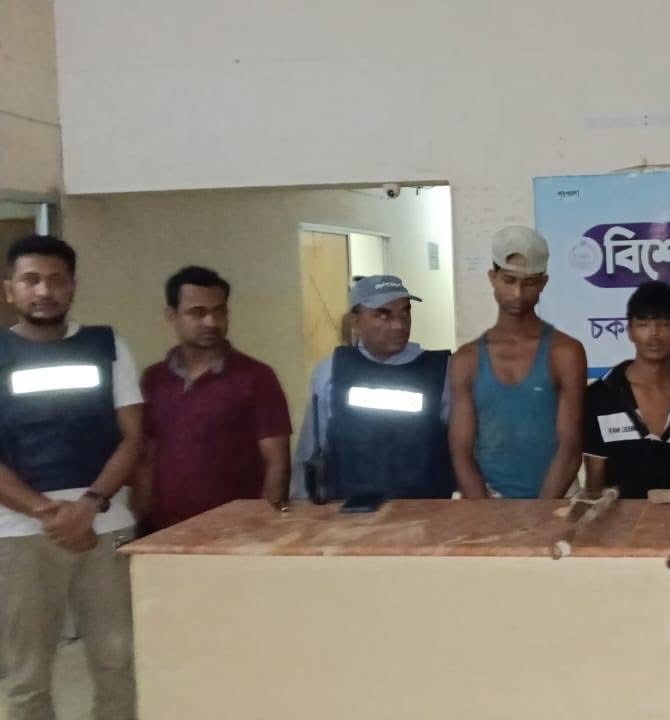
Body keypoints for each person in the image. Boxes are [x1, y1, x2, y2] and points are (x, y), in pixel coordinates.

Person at [0, 235, 141, 719]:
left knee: (117, 663)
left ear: (73, 287)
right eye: (31, 280)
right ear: (10, 289)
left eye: (56, 280)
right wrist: (49, 513)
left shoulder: (108, 346)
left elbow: (132, 437)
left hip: (105, 526)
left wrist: (89, 505)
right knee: (27, 676)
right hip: (20, 534)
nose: (44, 290)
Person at [136, 266, 291, 530]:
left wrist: (266, 526)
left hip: (237, 532)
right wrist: (141, 522)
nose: (211, 322)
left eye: (219, 312)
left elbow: (277, 461)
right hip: (167, 532)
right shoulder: (154, 380)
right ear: (172, 315)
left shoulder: (256, 377)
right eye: (198, 312)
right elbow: (146, 458)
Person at [449, 226, 586, 499]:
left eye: (530, 283)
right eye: (509, 280)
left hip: (556, 502)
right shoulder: (466, 359)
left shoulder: (565, 353)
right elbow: (461, 452)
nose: (518, 294)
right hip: (487, 504)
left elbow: (570, 448)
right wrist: (485, 513)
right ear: (493, 277)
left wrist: (541, 514)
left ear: (544, 283)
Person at [291, 275, 453, 501]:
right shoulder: (331, 372)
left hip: (424, 509)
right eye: (383, 315)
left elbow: (461, 446)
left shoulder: (442, 371)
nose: (399, 325)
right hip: (350, 509)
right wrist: (303, 503)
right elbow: (311, 449)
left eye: (405, 312)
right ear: (356, 320)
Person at [583, 281, 670, 499]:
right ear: (630, 331)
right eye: (644, 324)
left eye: (665, 324)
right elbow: (594, 483)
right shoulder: (599, 396)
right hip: (617, 520)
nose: (654, 335)